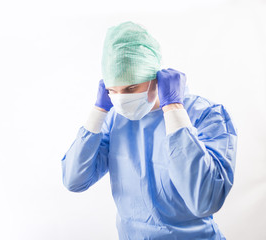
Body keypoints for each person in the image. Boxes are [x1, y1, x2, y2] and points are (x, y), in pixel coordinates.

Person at [61, 21, 237, 240]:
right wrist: (98, 112)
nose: (122, 99)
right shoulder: (116, 120)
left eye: (131, 88)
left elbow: (205, 201)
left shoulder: (205, 114)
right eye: (112, 90)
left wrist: (173, 109)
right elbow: (74, 180)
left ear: (156, 78)